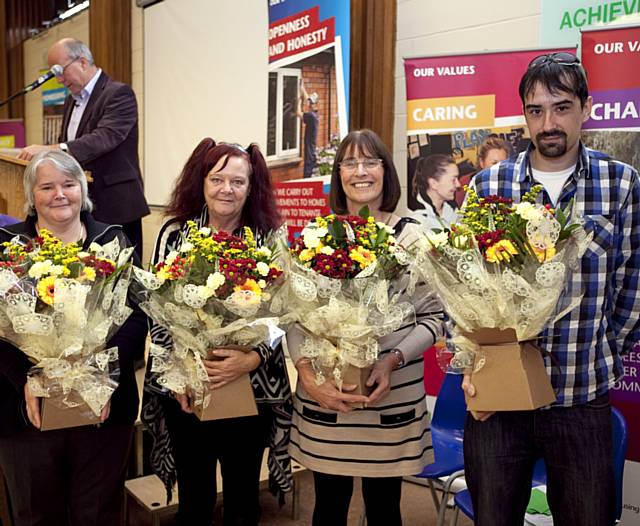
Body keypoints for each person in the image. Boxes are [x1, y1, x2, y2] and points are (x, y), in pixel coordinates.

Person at [462, 52, 640, 525]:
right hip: (500, 400)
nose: (548, 123)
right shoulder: (489, 185)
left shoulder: (620, 184)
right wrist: (473, 367)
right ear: (524, 115)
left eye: (561, 107)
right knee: (494, 518)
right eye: (536, 110)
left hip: (581, 397)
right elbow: (463, 286)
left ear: (587, 107)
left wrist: (606, 348)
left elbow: (634, 285)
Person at [288, 129, 445, 526]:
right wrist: (307, 375)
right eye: (350, 162)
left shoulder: (412, 234)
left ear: (385, 170)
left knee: (384, 510)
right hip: (327, 397)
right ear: (338, 173)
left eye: (370, 161)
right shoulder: (314, 235)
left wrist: (392, 359)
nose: (360, 171)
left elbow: (434, 317)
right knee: (327, 508)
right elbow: (293, 315)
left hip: (388, 400)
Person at [141, 139, 293, 525]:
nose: (227, 189)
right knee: (195, 498)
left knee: (243, 496)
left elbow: (288, 313)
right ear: (202, 182)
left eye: (238, 181)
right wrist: (179, 376)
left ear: (251, 187)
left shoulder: (269, 237)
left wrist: (253, 357)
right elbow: (158, 312)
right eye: (217, 178)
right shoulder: (174, 233)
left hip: (252, 386)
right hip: (188, 390)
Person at [0, 150, 148, 526]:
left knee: (96, 513)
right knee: (35, 515)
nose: (59, 194)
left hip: (101, 408)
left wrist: (97, 375)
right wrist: (28, 379)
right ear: (32, 196)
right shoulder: (8, 246)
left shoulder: (112, 241)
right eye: (46, 186)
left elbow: (135, 318)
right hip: (26, 412)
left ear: (82, 189)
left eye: (68, 184)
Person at [18, 38, 149, 259]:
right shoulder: (72, 101)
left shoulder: (118, 93)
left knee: (123, 274)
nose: (59, 80)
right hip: (83, 206)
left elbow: (105, 137)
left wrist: (53, 148)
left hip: (116, 203)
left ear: (82, 62)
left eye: (60, 71)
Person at [455, 135, 511, 205]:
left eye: (503, 163)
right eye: (494, 163)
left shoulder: (511, 184)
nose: (499, 167)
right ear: (482, 162)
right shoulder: (466, 183)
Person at [411, 154, 460, 230]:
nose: (458, 184)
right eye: (453, 179)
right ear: (434, 183)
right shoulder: (417, 220)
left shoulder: (452, 209)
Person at [297, 82, 319, 178]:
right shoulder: (315, 114)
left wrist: (298, 100)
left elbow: (298, 113)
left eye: (310, 102)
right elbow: (308, 100)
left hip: (309, 149)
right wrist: (302, 89)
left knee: (308, 173)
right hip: (311, 148)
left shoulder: (311, 116)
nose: (308, 103)